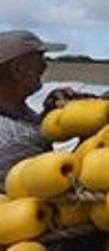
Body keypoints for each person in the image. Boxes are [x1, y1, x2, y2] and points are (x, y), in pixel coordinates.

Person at [0, 30, 65, 178]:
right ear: (18, 69)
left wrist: (46, 115)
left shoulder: (14, 110)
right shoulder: (16, 139)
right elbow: (60, 178)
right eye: (41, 58)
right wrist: (87, 132)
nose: (45, 66)